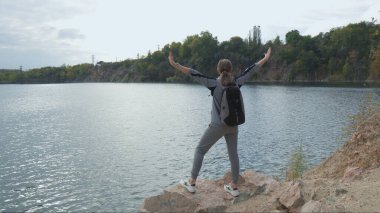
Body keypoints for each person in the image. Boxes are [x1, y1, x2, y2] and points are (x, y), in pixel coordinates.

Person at [168, 47, 271, 197]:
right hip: (233, 126)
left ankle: (191, 183)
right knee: (233, 155)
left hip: (217, 126)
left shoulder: (213, 83)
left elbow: (193, 72)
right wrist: (266, 58)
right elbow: (251, 70)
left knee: (200, 150)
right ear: (231, 69)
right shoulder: (237, 82)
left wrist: (175, 64)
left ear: (218, 70)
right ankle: (234, 186)